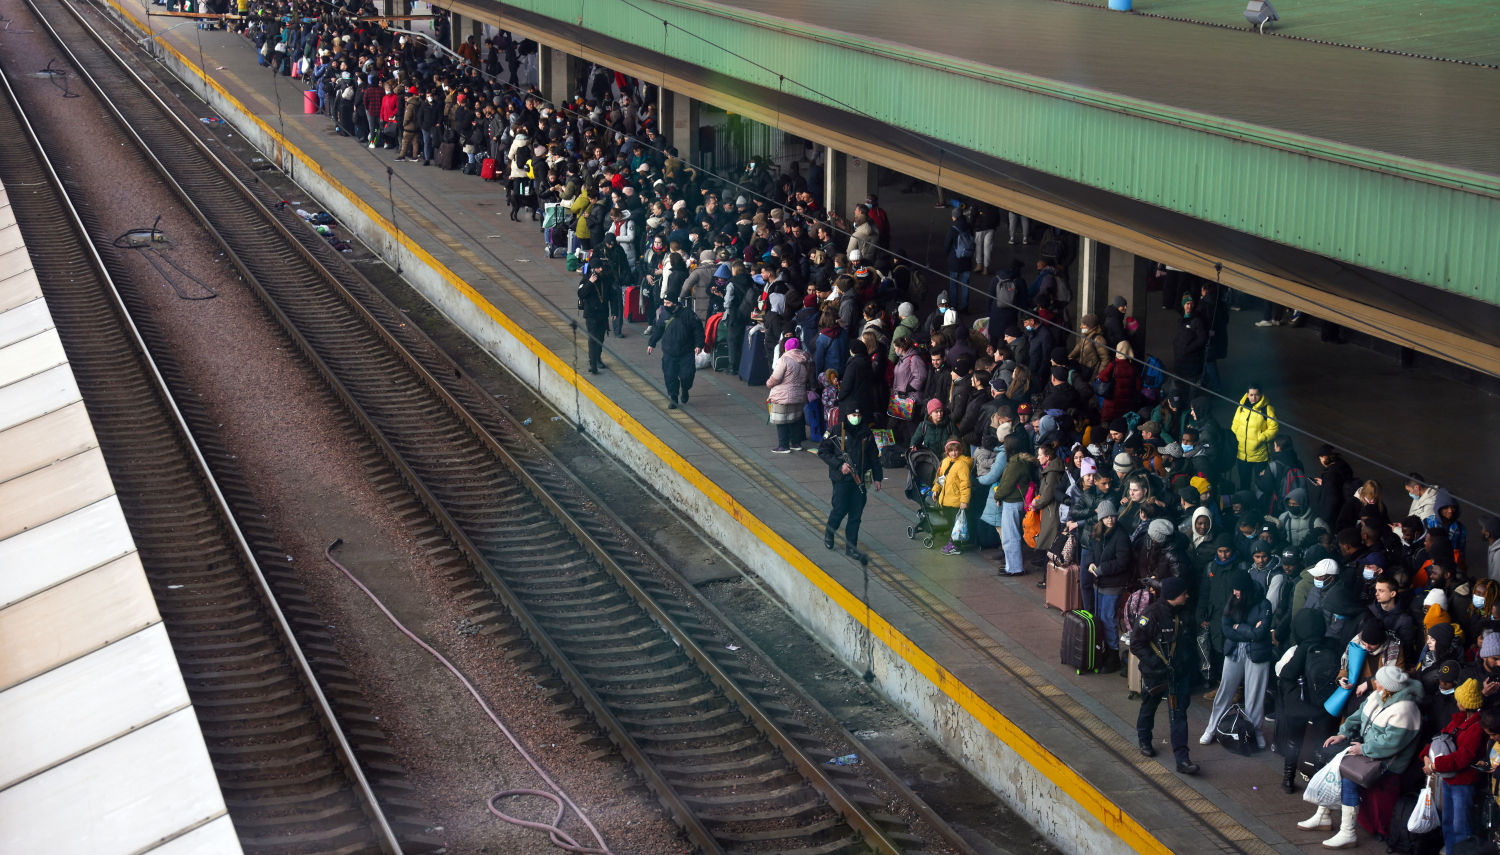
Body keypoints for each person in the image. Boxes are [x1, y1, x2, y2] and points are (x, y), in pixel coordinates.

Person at [1300, 666, 1423, 849]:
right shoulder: (1377, 696)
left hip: (1388, 763)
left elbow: (1390, 744)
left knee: (1347, 780)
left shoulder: (1406, 710)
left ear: (1388, 686)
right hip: (1368, 752)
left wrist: (1363, 749)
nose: (1375, 681)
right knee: (1332, 766)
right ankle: (1323, 816)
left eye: (1379, 680)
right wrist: (1343, 734)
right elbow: (1356, 717)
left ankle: (1348, 833)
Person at [1131, 576, 1200, 775]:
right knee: (1149, 706)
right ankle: (1144, 739)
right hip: (1156, 673)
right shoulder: (1151, 614)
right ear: (1172, 595)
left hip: (1178, 673)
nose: (1187, 596)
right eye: (1183, 593)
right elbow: (1136, 643)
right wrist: (1155, 662)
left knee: (1179, 715)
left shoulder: (1184, 613)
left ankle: (1182, 759)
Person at [1199, 571, 1272, 749]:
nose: (1235, 593)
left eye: (1238, 590)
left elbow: (1261, 632)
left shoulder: (1264, 603)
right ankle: (1212, 728)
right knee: (1225, 690)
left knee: (1255, 694)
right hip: (1235, 651)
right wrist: (1249, 631)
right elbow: (1226, 628)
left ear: (1246, 589)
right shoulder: (1233, 600)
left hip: (1256, 653)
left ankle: (1256, 732)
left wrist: (1239, 627)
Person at [1421, 678, 1485, 854]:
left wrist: (1435, 765)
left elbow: (1463, 757)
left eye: (1459, 700)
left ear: (1465, 704)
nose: (1456, 703)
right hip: (1449, 780)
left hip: (1463, 783)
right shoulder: (1459, 720)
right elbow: (1442, 738)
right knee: (1449, 821)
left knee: (1460, 826)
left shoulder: (1477, 728)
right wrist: (1426, 755)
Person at [818, 407, 883, 560]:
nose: (856, 417)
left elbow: (874, 456)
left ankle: (851, 547)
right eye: (853, 415)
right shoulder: (835, 431)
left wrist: (878, 477)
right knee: (839, 509)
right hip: (841, 479)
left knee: (856, 514)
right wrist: (839, 465)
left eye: (859, 415)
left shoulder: (866, 432)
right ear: (847, 415)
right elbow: (822, 451)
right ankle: (830, 532)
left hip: (859, 479)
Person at [645, 294, 703, 409]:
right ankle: (673, 397)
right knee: (670, 376)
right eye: (664, 303)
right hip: (669, 352)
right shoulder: (664, 315)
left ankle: (685, 389)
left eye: (668, 303)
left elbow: (698, 330)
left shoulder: (688, 315)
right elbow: (658, 329)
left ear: (675, 303)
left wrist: (699, 345)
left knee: (687, 375)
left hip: (686, 352)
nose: (665, 305)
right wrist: (651, 343)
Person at [765, 337, 811, 453]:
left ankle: (783, 446)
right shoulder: (804, 359)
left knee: (781, 421)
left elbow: (776, 378)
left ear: (787, 347)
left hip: (783, 395)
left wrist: (769, 383)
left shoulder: (784, 359)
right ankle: (796, 443)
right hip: (799, 394)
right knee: (794, 420)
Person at [1230, 384, 1277, 491]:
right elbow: (1235, 425)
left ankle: (1259, 506)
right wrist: (1236, 438)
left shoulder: (1267, 409)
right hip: (1242, 455)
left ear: (1261, 395)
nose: (1253, 398)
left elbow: (1274, 428)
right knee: (1244, 483)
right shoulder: (1241, 407)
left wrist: (1260, 438)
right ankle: (1244, 505)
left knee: (1260, 485)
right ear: (1247, 395)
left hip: (1260, 456)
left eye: (1256, 395)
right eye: (1251, 395)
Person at [932, 439, 974, 555]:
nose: (954, 453)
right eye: (951, 451)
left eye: (956, 450)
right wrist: (935, 490)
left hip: (956, 500)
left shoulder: (962, 465)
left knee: (956, 525)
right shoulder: (945, 462)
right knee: (952, 523)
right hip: (946, 500)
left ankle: (956, 546)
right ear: (947, 452)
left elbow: (965, 485)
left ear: (960, 451)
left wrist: (964, 501)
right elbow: (940, 478)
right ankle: (953, 543)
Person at [577, 256, 610, 374]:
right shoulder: (586, 280)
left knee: (600, 338)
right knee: (592, 338)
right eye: (598, 268)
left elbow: (611, 295)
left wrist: (615, 312)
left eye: (601, 267)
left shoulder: (605, 279)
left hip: (602, 314)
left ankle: (598, 358)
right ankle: (593, 363)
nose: (600, 270)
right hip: (591, 314)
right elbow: (581, 293)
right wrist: (590, 283)